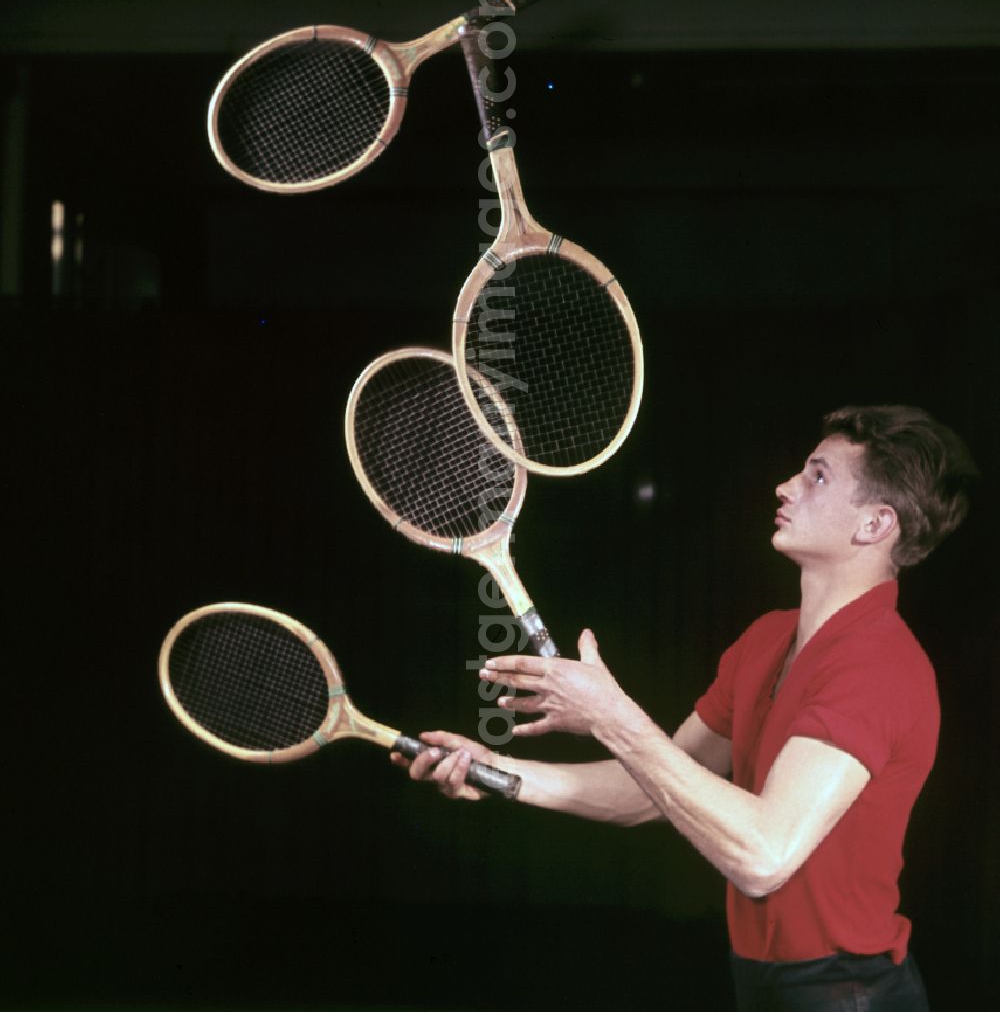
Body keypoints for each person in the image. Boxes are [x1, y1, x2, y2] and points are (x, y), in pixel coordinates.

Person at [392, 404, 978, 1011]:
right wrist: (500, 773)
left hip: (849, 994)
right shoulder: (768, 639)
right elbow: (651, 790)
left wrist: (612, 717)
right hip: (759, 980)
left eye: (818, 476)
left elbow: (762, 854)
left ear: (875, 525)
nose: (785, 487)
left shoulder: (876, 666)